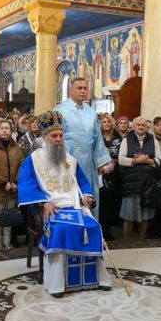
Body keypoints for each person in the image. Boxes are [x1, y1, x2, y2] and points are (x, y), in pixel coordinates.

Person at [17, 111, 111, 297]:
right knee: (60, 229)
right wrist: (43, 202)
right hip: (50, 208)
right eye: (54, 136)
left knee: (93, 227)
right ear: (45, 137)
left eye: (61, 135)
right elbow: (26, 184)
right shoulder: (33, 160)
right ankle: (57, 283)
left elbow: (82, 182)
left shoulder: (70, 160)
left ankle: (97, 277)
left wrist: (85, 196)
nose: (59, 139)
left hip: (74, 206)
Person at [54, 78, 113, 215]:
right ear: (70, 90)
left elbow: (97, 138)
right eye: (79, 88)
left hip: (88, 161)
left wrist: (101, 162)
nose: (83, 91)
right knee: (70, 195)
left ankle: (89, 224)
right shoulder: (59, 110)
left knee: (88, 195)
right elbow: (55, 137)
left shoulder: (91, 112)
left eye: (85, 88)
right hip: (67, 158)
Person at [118, 117, 161, 240]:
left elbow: (160, 160)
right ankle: (126, 242)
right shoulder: (126, 140)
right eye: (138, 125)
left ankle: (142, 241)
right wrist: (135, 160)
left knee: (145, 216)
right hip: (132, 183)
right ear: (133, 127)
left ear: (147, 127)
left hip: (148, 184)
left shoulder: (153, 140)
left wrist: (149, 161)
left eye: (143, 125)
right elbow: (121, 159)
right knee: (129, 216)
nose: (141, 127)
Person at [0, 120, 24, 251]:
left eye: (7, 128)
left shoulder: (16, 147)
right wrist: (3, 183)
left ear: (11, 131)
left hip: (12, 188)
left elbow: (21, 166)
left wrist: (15, 183)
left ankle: (7, 242)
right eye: (2, 128)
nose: (5, 130)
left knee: (9, 216)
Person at [98, 114, 122, 239]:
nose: (106, 124)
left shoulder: (117, 136)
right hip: (99, 172)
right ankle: (100, 229)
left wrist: (113, 161)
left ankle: (108, 229)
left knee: (110, 203)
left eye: (108, 121)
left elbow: (119, 155)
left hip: (114, 174)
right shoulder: (97, 137)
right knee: (101, 202)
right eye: (104, 121)